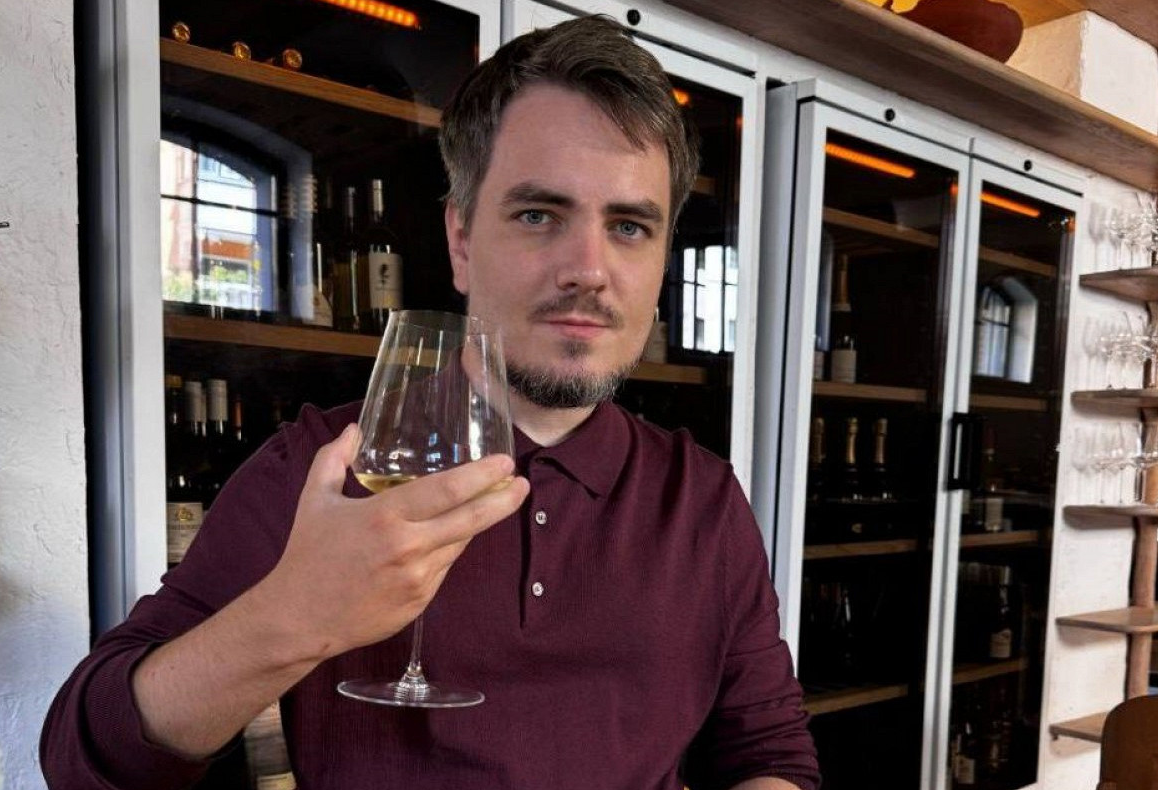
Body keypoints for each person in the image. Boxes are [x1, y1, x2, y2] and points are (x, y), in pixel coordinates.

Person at [42, 15, 819, 790]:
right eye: (538, 215)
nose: (589, 268)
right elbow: (83, 758)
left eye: (628, 225)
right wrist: (295, 615)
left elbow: (768, 757)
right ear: (461, 241)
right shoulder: (323, 467)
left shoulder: (704, 498)